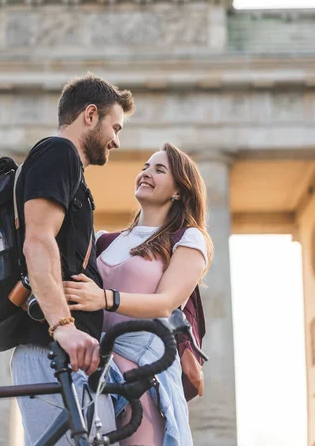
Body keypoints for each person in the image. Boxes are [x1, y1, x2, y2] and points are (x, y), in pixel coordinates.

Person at [11, 73, 135, 446]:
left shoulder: (70, 169)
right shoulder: (59, 152)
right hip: (54, 350)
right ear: (90, 115)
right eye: (115, 126)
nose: (116, 139)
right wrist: (63, 325)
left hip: (70, 354)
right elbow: (38, 240)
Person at [63, 143, 214, 446]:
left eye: (160, 169)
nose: (146, 173)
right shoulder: (104, 240)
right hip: (93, 369)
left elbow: (167, 303)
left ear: (179, 191)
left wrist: (105, 298)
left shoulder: (188, 238)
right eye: (145, 166)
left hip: (141, 378)